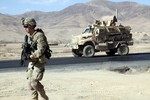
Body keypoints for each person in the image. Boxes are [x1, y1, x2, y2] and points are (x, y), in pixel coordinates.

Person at [21, 17, 49, 100]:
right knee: (29, 84)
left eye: (26, 26)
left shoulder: (39, 36)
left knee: (34, 82)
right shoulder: (29, 37)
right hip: (32, 62)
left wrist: (31, 56)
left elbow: (41, 50)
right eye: (24, 26)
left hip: (39, 61)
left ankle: (45, 98)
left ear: (31, 25)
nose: (25, 28)